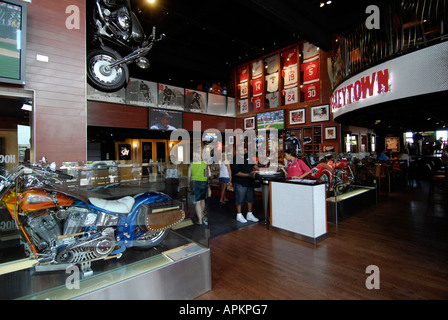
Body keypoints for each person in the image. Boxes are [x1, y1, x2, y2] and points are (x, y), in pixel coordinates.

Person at [230, 145, 259, 223]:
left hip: (249, 181)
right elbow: (236, 173)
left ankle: (249, 214)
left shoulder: (248, 156)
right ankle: (239, 215)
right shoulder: (235, 159)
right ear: (237, 151)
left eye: (244, 148)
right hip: (239, 182)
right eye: (241, 149)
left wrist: (260, 170)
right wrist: (248, 175)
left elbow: (253, 165)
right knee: (240, 199)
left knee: (250, 198)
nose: (244, 150)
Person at [188, 148, 211, 225]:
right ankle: (202, 214)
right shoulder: (205, 163)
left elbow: (189, 176)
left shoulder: (191, 164)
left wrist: (188, 185)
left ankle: (200, 220)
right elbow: (208, 175)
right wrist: (207, 183)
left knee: (197, 202)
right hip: (203, 182)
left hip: (195, 183)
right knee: (202, 200)